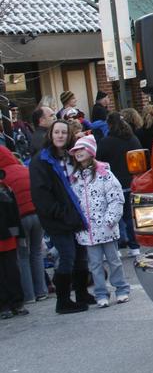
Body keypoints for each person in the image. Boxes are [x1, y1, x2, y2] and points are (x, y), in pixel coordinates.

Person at [29, 120, 91, 314]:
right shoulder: (41, 161)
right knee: (67, 256)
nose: (60, 136)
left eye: (64, 132)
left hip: (76, 215)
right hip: (57, 218)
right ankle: (63, 301)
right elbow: (41, 195)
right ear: (51, 134)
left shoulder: (71, 157)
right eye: (57, 132)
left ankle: (82, 294)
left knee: (81, 257)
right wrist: (61, 213)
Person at [68, 135, 129, 308]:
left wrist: (110, 219)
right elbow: (75, 202)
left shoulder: (105, 174)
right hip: (87, 230)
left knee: (114, 260)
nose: (78, 153)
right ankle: (101, 293)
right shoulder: (76, 178)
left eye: (81, 149)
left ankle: (121, 289)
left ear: (90, 151)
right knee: (94, 264)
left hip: (106, 227)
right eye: (76, 150)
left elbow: (116, 198)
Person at [0, 147, 46, 303]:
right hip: (37, 215)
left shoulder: (3, 177)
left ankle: (29, 295)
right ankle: (41, 290)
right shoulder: (23, 169)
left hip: (20, 219)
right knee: (37, 253)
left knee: (22, 256)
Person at [96, 113, 142, 258]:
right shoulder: (133, 139)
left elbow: (98, 162)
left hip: (113, 184)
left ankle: (116, 248)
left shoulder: (105, 142)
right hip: (131, 182)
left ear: (109, 124)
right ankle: (135, 246)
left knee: (113, 218)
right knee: (130, 217)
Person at [0, 169, 28, 319]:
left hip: (8, 238)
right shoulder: (5, 188)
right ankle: (12, 304)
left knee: (10, 272)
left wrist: (19, 234)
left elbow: (14, 214)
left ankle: (12, 304)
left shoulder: (5, 188)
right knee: (10, 271)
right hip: (9, 237)